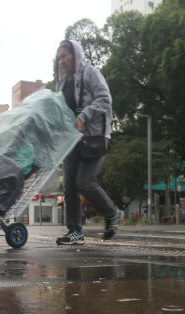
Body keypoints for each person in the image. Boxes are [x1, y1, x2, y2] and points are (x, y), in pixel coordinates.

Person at [55, 39, 118, 245]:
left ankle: (111, 213)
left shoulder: (90, 72)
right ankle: (74, 231)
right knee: (70, 188)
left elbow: (105, 98)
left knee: (85, 182)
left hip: (93, 137)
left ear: (75, 55)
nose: (61, 60)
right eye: (59, 57)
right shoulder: (62, 81)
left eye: (64, 55)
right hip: (72, 140)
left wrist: (84, 116)